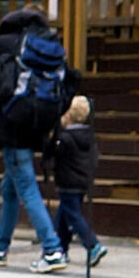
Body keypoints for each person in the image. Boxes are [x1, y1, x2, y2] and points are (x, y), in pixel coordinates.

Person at [0, 4, 81, 273]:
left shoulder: (6, 43)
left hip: (11, 125)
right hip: (37, 126)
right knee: (9, 189)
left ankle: (52, 249)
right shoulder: (50, 47)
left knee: (26, 187)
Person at [45, 95, 109, 267]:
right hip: (82, 181)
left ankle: (92, 245)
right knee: (64, 215)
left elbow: (52, 152)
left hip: (67, 181)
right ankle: (61, 247)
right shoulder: (89, 136)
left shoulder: (65, 138)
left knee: (73, 215)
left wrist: (54, 133)